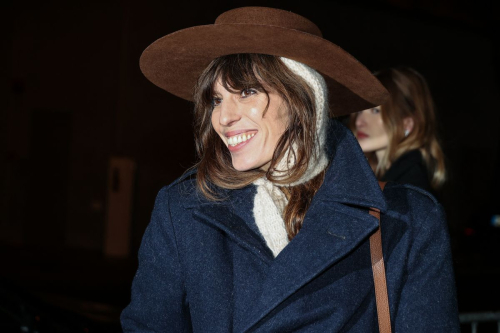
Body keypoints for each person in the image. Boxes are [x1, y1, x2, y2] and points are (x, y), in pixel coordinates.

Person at [121, 7, 459, 332]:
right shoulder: (182, 211)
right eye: (216, 99)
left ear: (305, 97)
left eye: (247, 91)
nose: (222, 118)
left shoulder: (408, 220)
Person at [350, 67, 446, 196]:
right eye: (360, 111)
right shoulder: (381, 178)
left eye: (375, 111)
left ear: (407, 123)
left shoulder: (408, 189)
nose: (359, 122)